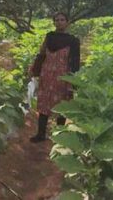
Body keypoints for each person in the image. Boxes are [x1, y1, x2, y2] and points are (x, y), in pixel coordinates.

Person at [28, 12, 80, 143]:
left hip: (63, 76)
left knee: (62, 105)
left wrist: (73, 79)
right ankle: (40, 134)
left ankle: (59, 135)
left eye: (62, 20)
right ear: (54, 22)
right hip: (47, 74)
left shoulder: (73, 41)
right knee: (44, 103)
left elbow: (75, 61)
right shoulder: (49, 37)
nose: (59, 22)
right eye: (57, 20)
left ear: (67, 22)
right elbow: (41, 54)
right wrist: (34, 69)